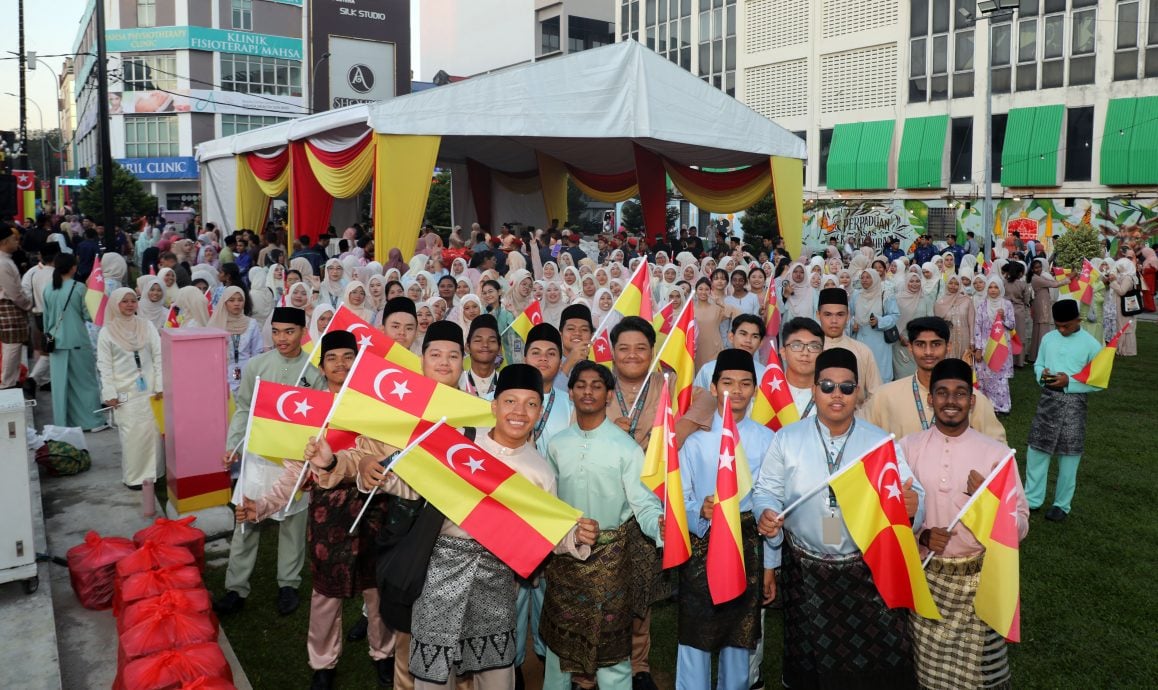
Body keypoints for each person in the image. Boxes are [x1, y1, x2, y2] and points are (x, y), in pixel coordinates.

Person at [346, 362, 593, 690]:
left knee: (496, 676)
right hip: (439, 576)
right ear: (494, 406)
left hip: (496, 580)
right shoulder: (459, 443)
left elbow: (545, 531)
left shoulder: (540, 472)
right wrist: (370, 472)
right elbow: (414, 487)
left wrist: (575, 535)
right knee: (432, 678)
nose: (520, 411)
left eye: (531, 404)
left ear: (539, 411)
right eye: (510, 401)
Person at [753, 347, 925, 688]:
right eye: (828, 386)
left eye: (847, 387)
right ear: (815, 389)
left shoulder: (878, 443)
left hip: (866, 571)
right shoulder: (788, 438)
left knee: (874, 662)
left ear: (857, 393)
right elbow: (766, 490)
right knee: (810, 665)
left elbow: (911, 490)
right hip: (805, 572)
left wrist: (912, 503)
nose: (837, 395)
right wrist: (766, 511)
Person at [238, 331, 397, 689]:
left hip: (374, 508)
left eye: (348, 357)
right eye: (332, 358)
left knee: (377, 590)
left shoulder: (377, 408)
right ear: (322, 366)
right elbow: (294, 474)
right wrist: (261, 507)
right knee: (326, 594)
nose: (341, 364)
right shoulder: (309, 412)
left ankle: (383, 653)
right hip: (329, 516)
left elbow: (390, 457)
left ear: (358, 362)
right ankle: (323, 663)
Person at [901, 358, 1028, 690]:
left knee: (983, 676)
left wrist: (985, 503)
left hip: (979, 584)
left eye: (960, 393)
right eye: (942, 393)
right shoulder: (908, 449)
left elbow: (1021, 526)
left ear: (973, 400)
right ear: (931, 398)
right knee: (927, 673)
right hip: (927, 580)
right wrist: (923, 534)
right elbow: (890, 518)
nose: (951, 401)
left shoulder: (996, 454)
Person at [542, 360, 662, 690]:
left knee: (613, 656)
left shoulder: (625, 448)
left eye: (597, 386)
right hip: (565, 559)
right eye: (581, 385)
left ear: (608, 395)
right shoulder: (557, 444)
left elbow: (644, 503)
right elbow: (548, 502)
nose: (588, 391)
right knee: (558, 653)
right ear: (571, 392)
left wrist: (660, 527)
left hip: (612, 564)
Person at [215, 307, 325, 617]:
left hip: (295, 464)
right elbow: (244, 409)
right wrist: (232, 445)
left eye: (288, 331)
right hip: (259, 459)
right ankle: (236, 587)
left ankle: (288, 584)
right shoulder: (257, 366)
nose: (281, 338)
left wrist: (311, 467)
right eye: (275, 331)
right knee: (246, 522)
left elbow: (321, 423)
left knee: (292, 524)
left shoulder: (315, 371)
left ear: (303, 332)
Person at [677, 349, 773, 690]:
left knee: (739, 634)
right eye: (728, 382)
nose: (737, 390)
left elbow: (767, 500)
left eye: (746, 383)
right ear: (714, 387)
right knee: (695, 634)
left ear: (755, 390)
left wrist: (770, 565)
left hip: (746, 545)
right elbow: (681, 497)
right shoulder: (694, 438)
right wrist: (698, 512)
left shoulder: (766, 439)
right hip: (702, 545)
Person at [863, 317, 1006, 442]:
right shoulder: (886, 396)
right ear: (910, 348)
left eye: (936, 344)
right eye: (920, 344)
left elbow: (997, 447)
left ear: (948, 347)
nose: (928, 352)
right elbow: (865, 439)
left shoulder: (972, 399)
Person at [1026, 300, 1105, 522]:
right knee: (1037, 451)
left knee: (1069, 456)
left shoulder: (1092, 345)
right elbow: (1038, 364)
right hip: (1048, 402)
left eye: (1066, 326)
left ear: (1078, 320)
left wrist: (1069, 382)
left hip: (1074, 405)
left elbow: (1098, 381)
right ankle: (1032, 499)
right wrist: (1042, 376)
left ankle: (1062, 505)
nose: (1061, 329)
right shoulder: (1048, 338)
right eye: (1058, 325)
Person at [96, 288, 164, 489]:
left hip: (151, 390)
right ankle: (135, 478)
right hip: (125, 392)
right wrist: (109, 393)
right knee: (131, 434)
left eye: (132, 301)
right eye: (124, 301)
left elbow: (158, 355)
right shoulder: (107, 332)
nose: (129, 305)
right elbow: (104, 365)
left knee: (153, 433)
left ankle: (155, 474)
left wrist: (160, 384)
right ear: (116, 305)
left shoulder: (147, 326)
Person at [42, 253, 106, 430]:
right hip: (77, 340)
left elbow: (46, 319)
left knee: (61, 386)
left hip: (56, 341)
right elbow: (88, 315)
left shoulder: (48, 288)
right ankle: (93, 421)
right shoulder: (79, 288)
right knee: (86, 383)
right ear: (72, 267)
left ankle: (63, 422)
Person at [815, 287, 882, 404]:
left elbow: (876, 395)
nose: (834, 320)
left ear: (848, 316)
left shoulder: (862, 351)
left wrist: (861, 417)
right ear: (818, 315)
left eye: (840, 314)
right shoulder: (809, 352)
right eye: (828, 315)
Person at [208, 286, 264, 396]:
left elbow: (257, 352)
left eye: (240, 300)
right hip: (219, 374)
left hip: (246, 374)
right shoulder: (216, 324)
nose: (236, 303)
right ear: (225, 302)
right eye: (232, 300)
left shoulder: (251, 324)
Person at [973, 277, 1015, 414]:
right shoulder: (982, 305)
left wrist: (1003, 318)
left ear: (1001, 288)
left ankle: (1002, 406)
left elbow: (1012, 325)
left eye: (996, 287)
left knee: (1000, 376)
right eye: (990, 287)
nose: (992, 290)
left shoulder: (1007, 304)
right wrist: (978, 348)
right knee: (986, 377)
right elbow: (977, 327)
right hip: (986, 347)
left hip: (1001, 345)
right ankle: (988, 406)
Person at [850, 268, 899, 383]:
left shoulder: (885, 295)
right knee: (862, 372)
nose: (864, 280)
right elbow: (850, 314)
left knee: (879, 373)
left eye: (868, 277)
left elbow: (895, 315)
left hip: (879, 341)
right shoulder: (856, 295)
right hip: (860, 338)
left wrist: (880, 321)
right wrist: (854, 322)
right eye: (862, 277)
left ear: (875, 278)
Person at [0, 224, 31, 390]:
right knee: (12, 345)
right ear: (4, 241)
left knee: (14, 345)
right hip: (9, 307)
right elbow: (13, 292)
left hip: (11, 306)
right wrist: (28, 305)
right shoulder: (2, 263)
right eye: (14, 239)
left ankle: (11, 380)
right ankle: (7, 383)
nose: (17, 242)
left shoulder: (5, 260)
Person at [778, 317, 825, 418]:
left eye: (814, 347)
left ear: (822, 355)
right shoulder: (768, 391)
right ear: (783, 352)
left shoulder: (830, 393)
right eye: (796, 345)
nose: (805, 353)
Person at [1028, 259, 1067, 362]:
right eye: (1036, 267)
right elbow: (1054, 284)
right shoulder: (1037, 279)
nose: (1038, 269)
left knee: (1039, 330)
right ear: (1032, 269)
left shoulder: (1038, 277)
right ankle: (1042, 357)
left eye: (1040, 267)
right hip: (1042, 306)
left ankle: (1035, 356)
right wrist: (1068, 279)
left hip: (1041, 304)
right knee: (1042, 330)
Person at [933, 275, 975, 360]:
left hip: (964, 337)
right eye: (950, 283)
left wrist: (972, 340)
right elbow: (936, 324)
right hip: (947, 337)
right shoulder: (940, 302)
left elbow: (971, 322)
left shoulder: (967, 300)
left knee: (963, 362)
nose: (953, 286)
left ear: (960, 285)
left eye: (956, 284)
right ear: (946, 284)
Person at [459, 314, 501, 399]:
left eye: (492, 341)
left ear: (499, 348)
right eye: (478, 340)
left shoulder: (506, 384)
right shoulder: (458, 383)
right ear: (467, 347)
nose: (485, 345)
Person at [1110, 258, 1138, 356]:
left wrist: (1113, 282)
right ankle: (1122, 348)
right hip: (1125, 304)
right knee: (1123, 326)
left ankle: (1124, 350)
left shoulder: (1128, 278)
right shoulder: (1128, 276)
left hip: (1124, 304)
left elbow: (1122, 291)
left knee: (1124, 326)